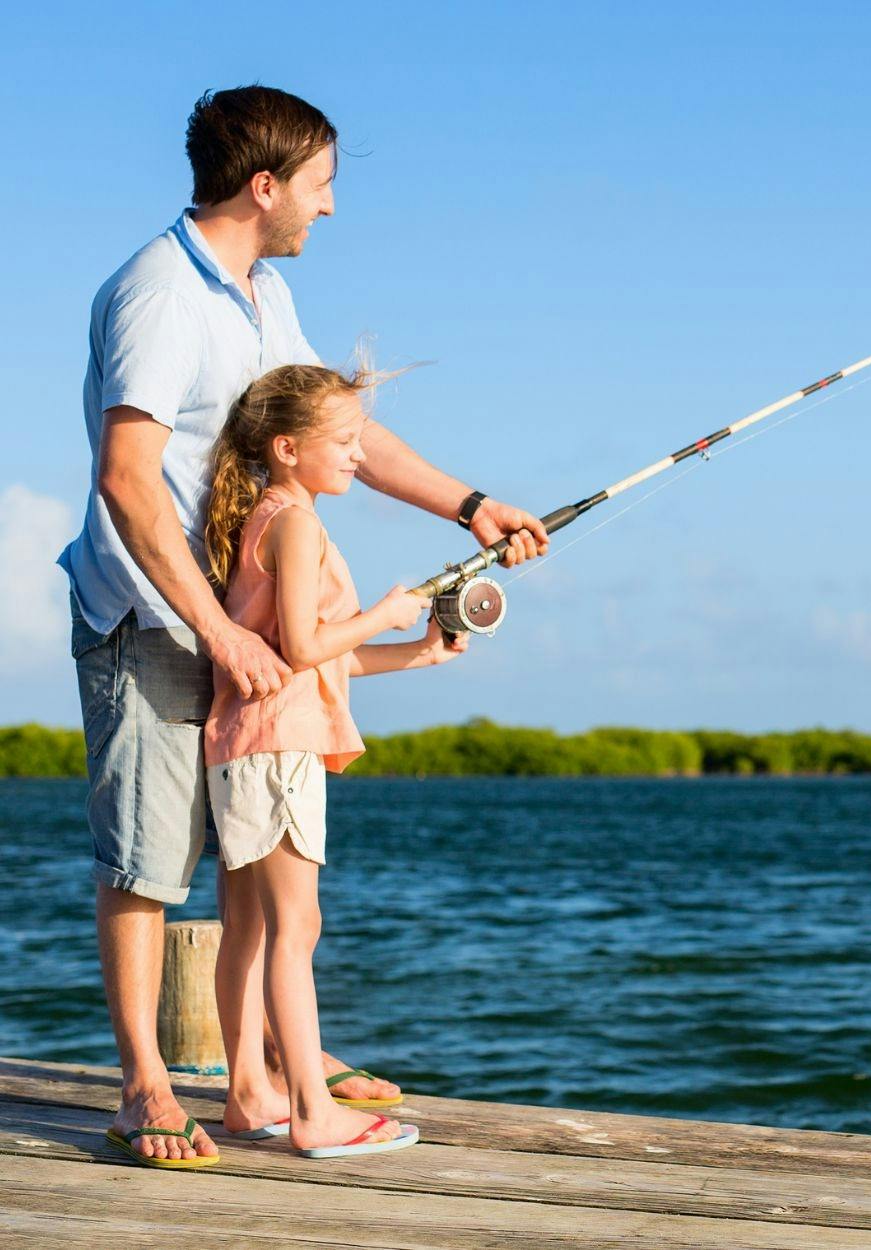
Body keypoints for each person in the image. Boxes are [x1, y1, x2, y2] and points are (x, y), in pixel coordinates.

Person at [59, 85, 549, 1167]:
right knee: (146, 861)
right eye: (322, 186)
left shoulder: (262, 296)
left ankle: (261, 1073)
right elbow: (128, 482)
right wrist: (223, 634)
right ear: (265, 183)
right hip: (149, 615)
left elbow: (341, 434)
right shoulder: (157, 294)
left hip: (240, 624)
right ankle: (145, 1083)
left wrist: (471, 505)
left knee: (245, 868)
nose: (329, 210)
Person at [195, 362, 454, 1159]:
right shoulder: (296, 523)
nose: (356, 454)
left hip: (247, 741)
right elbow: (309, 645)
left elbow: (300, 653)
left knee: (246, 925)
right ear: (286, 447)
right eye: (343, 441)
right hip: (278, 748)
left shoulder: (268, 516)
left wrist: (415, 650)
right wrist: (383, 611)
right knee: (295, 928)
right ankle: (312, 1109)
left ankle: (249, 1096)